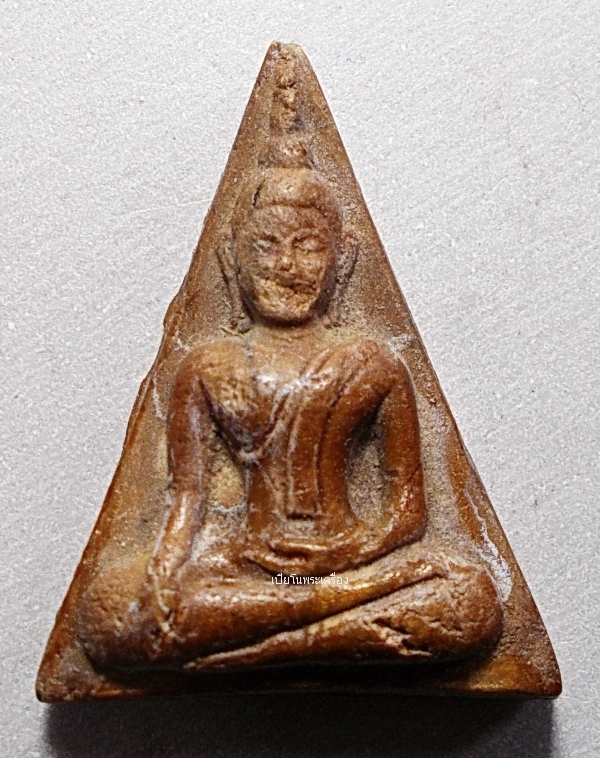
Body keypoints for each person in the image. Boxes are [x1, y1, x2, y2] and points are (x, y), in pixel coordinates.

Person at [77, 54, 502, 672]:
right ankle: (329, 630)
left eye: (307, 247)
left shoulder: (374, 363)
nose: (286, 265)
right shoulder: (207, 367)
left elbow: (409, 512)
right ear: (232, 261)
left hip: (351, 566)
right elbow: (187, 503)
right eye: (267, 246)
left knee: (473, 598)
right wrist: (165, 574)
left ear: (341, 260)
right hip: (249, 570)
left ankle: (269, 644)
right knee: (110, 609)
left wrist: (353, 554)